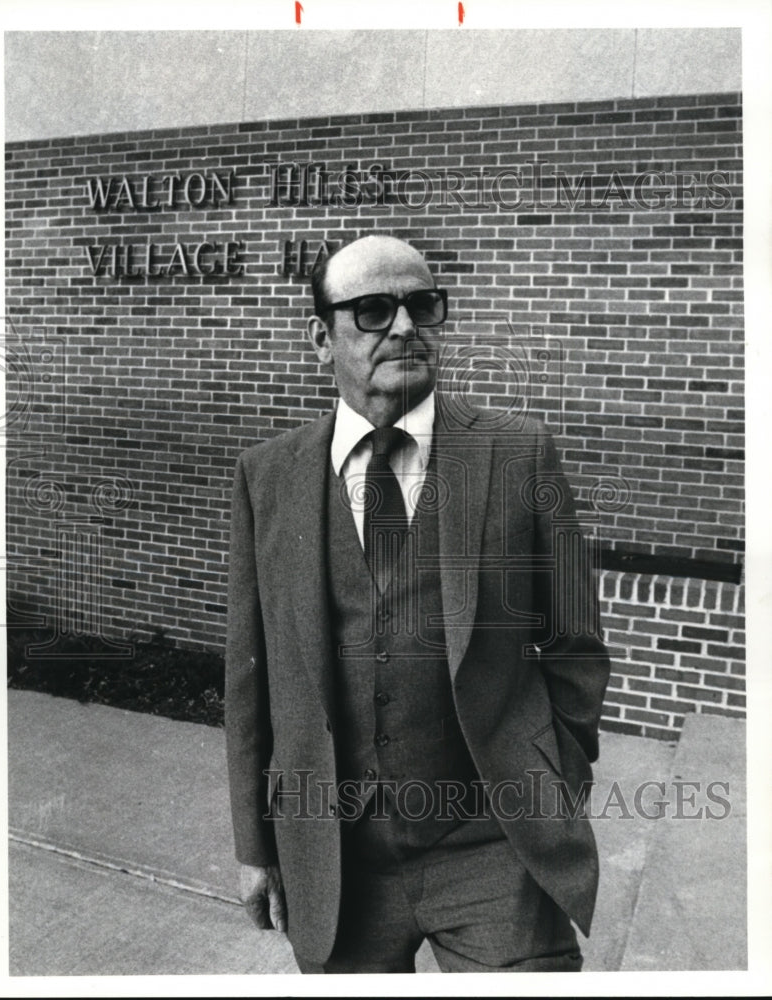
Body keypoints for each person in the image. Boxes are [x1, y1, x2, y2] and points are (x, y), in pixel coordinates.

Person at [225, 234, 611, 974]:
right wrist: (256, 844)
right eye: (372, 310)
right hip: (336, 860)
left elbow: (574, 644)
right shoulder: (266, 477)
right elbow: (251, 681)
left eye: (421, 304)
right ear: (321, 338)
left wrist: (554, 776)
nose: (404, 327)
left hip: (493, 846)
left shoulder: (515, 453)